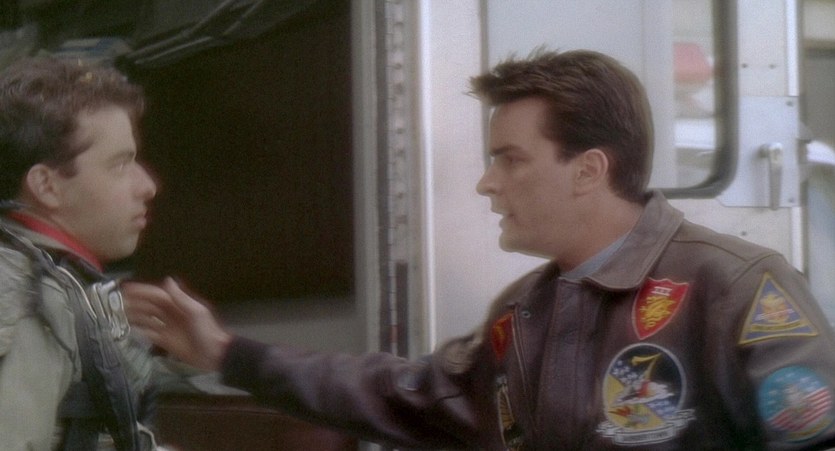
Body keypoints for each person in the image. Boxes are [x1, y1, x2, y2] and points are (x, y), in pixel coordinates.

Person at [123, 49, 835, 449]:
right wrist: (227, 354)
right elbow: (404, 395)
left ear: (588, 170)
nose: (487, 183)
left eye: (510, 159)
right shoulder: (523, 312)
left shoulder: (735, 286)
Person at [0, 56, 167, 450]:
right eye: (120, 164)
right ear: (47, 186)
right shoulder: (26, 300)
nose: (148, 186)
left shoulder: (63, 288)